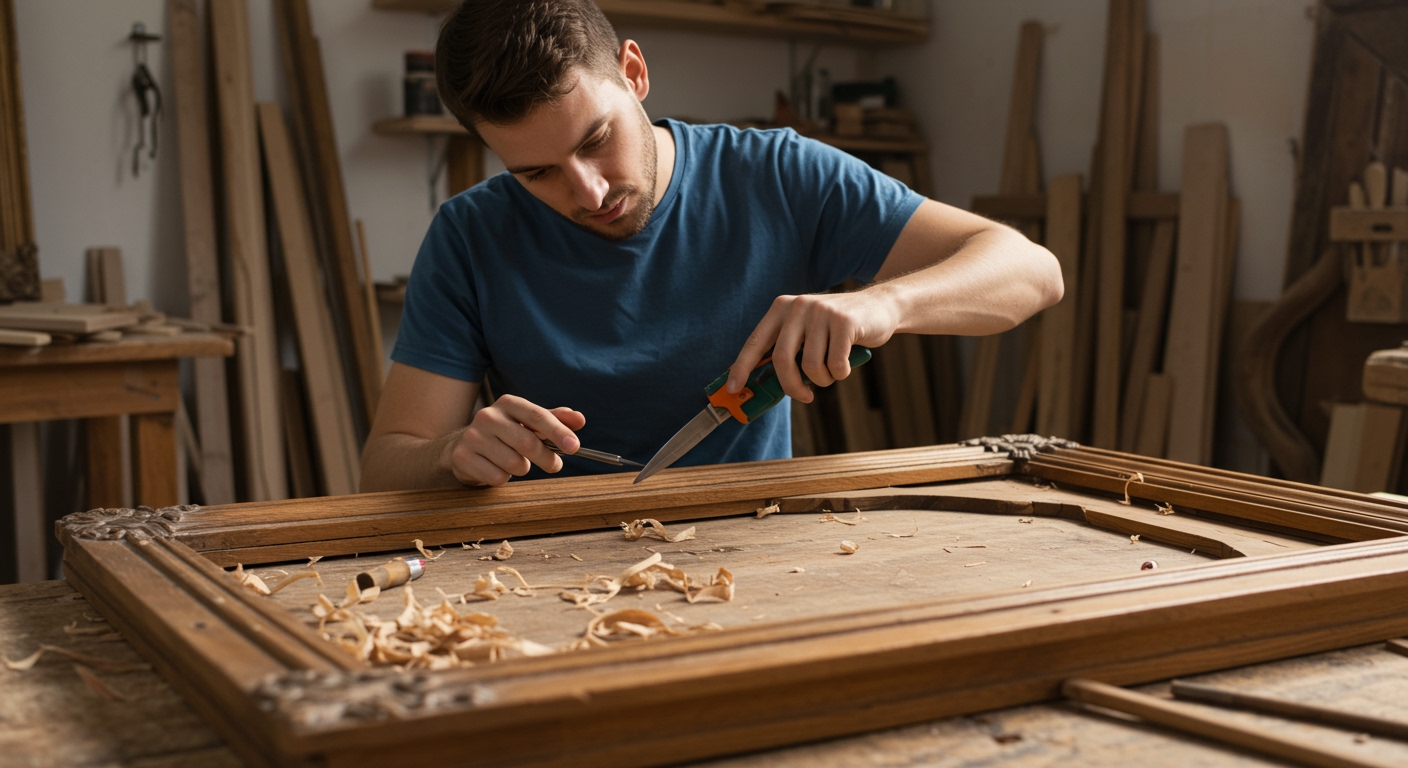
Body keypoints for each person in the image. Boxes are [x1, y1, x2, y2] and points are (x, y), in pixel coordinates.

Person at [359, 0, 1063, 492]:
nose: (589, 192)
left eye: (596, 141)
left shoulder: (777, 177)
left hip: (747, 548)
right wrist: (452, 453)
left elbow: (1032, 273)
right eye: (536, 173)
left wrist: (887, 303)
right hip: (546, 562)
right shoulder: (470, 233)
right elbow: (387, 465)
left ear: (633, 72)